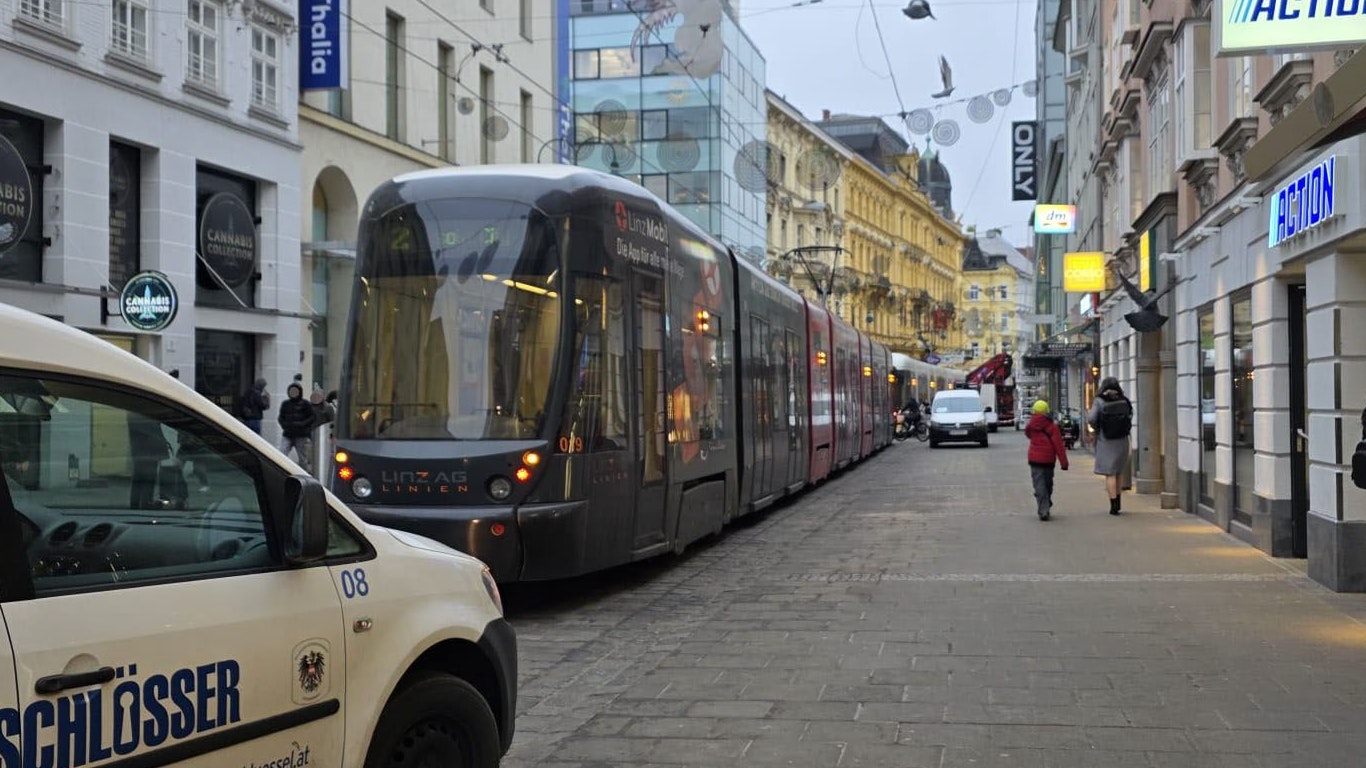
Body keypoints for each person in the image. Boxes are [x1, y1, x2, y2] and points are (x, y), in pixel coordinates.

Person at [1088, 376, 1133, 515]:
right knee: (1118, 471)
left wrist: (1096, 429)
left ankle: (1113, 504)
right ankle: (1118, 501)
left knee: (1110, 473)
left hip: (1106, 440)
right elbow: (1130, 415)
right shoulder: (1124, 400)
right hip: (1122, 440)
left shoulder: (1100, 401)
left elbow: (1092, 419)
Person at [1024, 399, 1069, 521]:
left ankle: (1043, 505)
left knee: (1039, 484)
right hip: (1048, 460)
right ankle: (1044, 507)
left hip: (1034, 459)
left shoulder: (1030, 425)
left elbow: (1027, 434)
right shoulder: (1052, 427)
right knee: (1048, 483)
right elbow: (1059, 446)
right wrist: (1064, 463)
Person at [278, 382, 318, 472]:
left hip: (301, 435)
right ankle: (281, 471)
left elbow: (312, 417)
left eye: (295, 391)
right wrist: (285, 425)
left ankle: (304, 473)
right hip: (288, 433)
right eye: (291, 391)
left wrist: (302, 424)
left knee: (302, 457)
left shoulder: (305, 404)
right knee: (282, 453)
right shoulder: (285, 404)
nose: (293, 393)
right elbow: (281, 417)